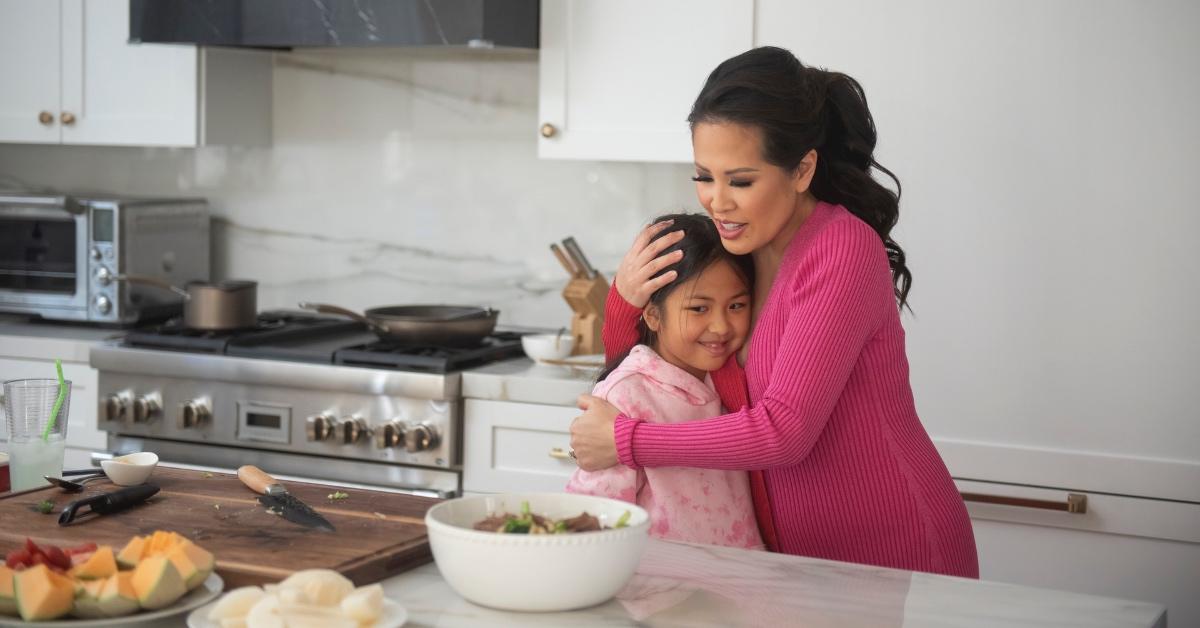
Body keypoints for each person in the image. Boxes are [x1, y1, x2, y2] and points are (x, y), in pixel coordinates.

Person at [569, 46, 979, 578]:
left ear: (802, 168)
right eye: (703, 176)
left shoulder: (840, 250)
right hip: (793, 560)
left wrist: (627, 441)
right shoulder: (738, 253)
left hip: (891, 552)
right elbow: (664, 375)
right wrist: (625, 300)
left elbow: (784, 431)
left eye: (740, 181)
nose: (717, 202)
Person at [566, 213, 763, 549]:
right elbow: (593, 515)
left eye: (736, 305)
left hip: (739, 581)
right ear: (654, 315)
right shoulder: (624, 395)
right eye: (699, 309)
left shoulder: (729, 380)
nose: (721, 326)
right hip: (658, 586)